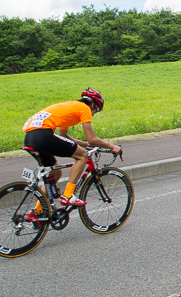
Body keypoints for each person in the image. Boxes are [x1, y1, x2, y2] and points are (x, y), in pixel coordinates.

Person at [22, 88, 122, 216]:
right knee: (82, 156)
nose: (93, 114)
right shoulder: (84, 108)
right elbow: (92, 138)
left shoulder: (69, 108)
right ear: (92, 105)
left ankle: (37, 211)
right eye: (96, 111)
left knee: (55, 173)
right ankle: (68, 195)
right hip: (43, 135)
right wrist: (112, 146)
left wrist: (84, 144)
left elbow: (63, 136)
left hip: (31, 138)